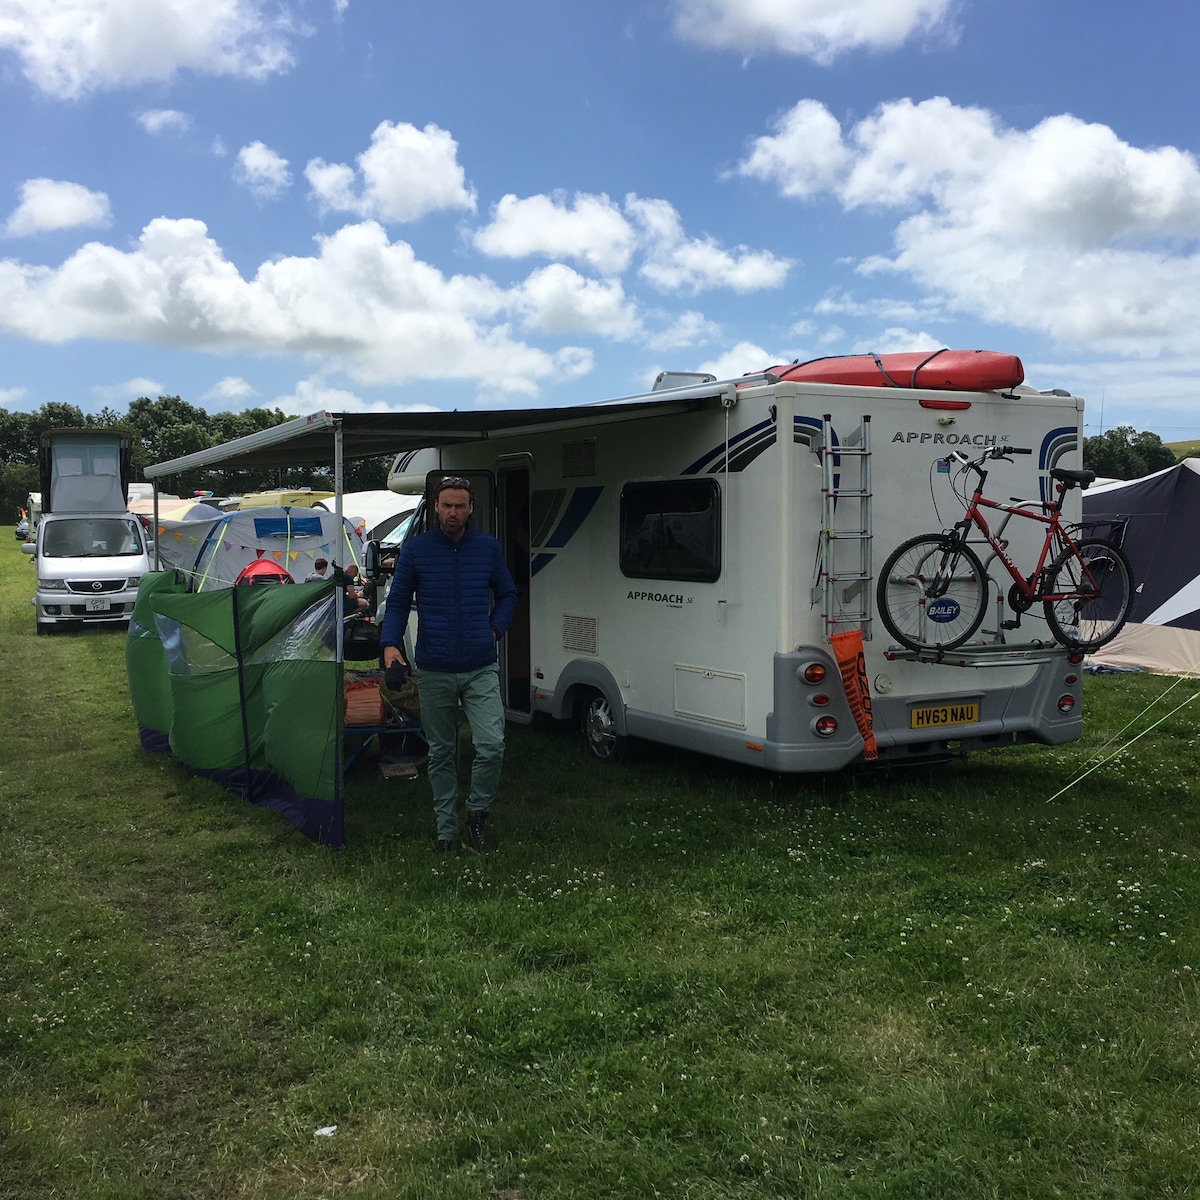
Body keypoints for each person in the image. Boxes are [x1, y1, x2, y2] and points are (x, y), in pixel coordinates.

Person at [380, 476, 518, 854]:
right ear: (436, 508)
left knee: (492, 745)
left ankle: (476, 818)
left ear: (471, 508)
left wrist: (495, 629)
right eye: (446, 505)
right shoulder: (416, 550)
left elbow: (508, 593)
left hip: (480, 665)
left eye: (460, 506)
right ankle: (446, 830)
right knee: (441, 753)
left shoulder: (487, 548)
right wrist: (390, 645)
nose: (452, 512)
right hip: (435, 666)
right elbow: (396, 602)